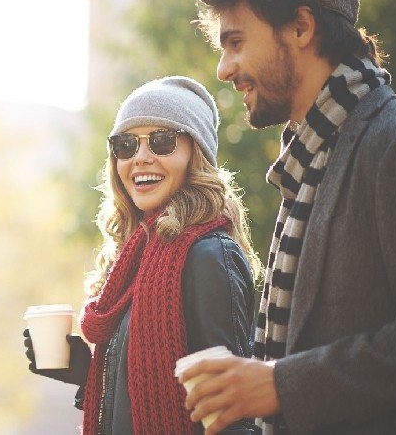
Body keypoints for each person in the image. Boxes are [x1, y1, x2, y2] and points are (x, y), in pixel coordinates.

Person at [179, 0, 396, 434]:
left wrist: (280, 385)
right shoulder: (312, 156)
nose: (224, 69)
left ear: (300, 28)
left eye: (235, 42)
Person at [24, 76, 260, 434]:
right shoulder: (134, 262)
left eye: (163, 141)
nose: (141, 158)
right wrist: (86, 374)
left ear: (195, 155)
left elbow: (229, 420)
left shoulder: (208, 257)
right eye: (126, 145)